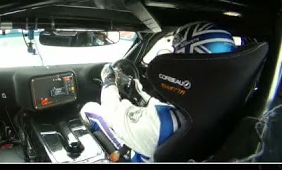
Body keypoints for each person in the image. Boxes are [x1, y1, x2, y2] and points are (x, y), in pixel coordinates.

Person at [79, 22, 236, 162]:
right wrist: (141, 95)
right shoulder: (225, 105)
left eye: (177, 55)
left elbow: (113, 114)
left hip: (137, 155)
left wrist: (108, 82)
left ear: (191, 63)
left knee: (89, 109)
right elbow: (172, 110)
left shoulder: (162, 123)